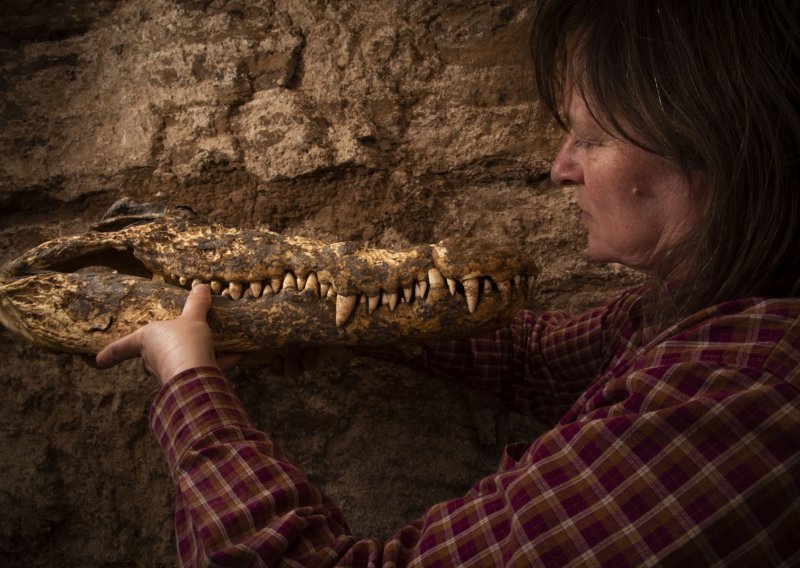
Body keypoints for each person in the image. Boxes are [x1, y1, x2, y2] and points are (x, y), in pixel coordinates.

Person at [97, 0, 800, 565]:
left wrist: (188, 383)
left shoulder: (737, 393)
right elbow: (540, 359)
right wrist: (337, 314)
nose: (561, 168)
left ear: (710, 146)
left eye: (590, 138)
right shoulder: (710, 310)